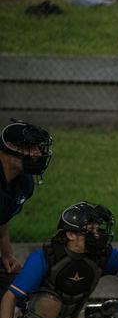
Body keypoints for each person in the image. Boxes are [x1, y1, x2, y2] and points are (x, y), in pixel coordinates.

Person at [0, 201, 118, 318]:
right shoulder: (45, 257)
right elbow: (10, 297)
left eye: (98, 229)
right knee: (48, 302)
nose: (97, 234)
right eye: (91, 230)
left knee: (116, 312)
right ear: (70, 234)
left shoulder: (101, 254)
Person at [0, 120, 53, 294]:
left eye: (38, 148)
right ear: (9, 147)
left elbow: (2, 218)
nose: (37, 154)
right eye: (31, 148)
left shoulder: (24, 183)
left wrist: (7, 254)